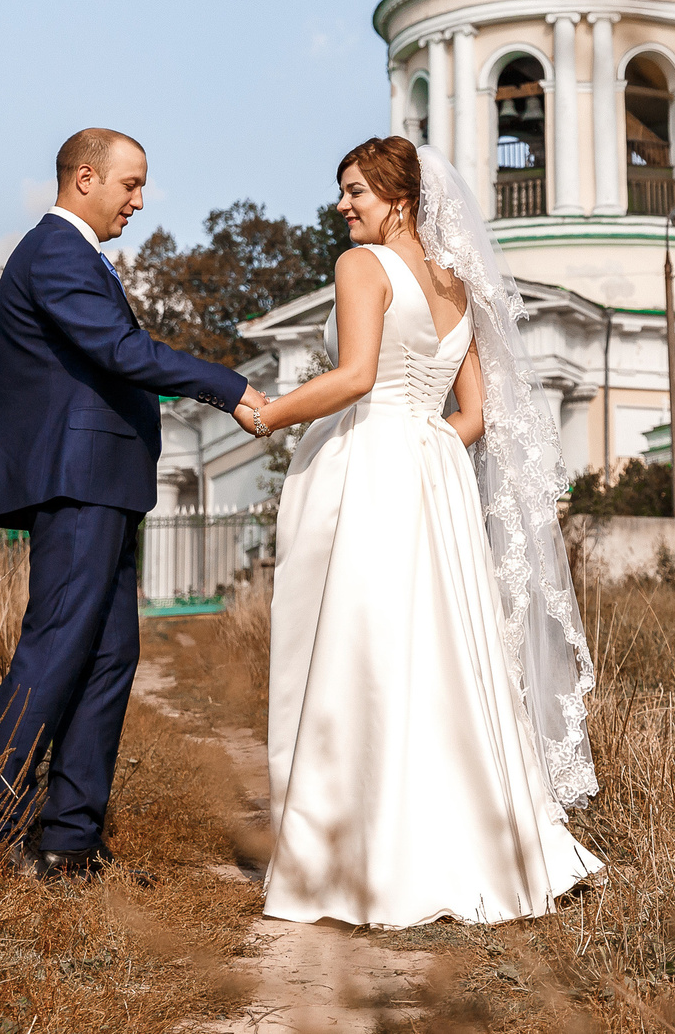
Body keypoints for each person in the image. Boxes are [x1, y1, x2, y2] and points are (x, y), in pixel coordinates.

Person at [255, 136, 599, 927]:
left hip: (370, 463)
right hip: (432, 473)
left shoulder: (361, 268)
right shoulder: (456, 282)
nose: (343, 206)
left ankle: (354, 854)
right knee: (440, 648)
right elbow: (473, 416)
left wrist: (267, 415)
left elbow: (354, 377)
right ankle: (475, 838)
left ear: (398, 198)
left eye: (355, 192)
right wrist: (429, 445)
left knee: (356, 644)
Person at [0, 128, 270, 880]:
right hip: (77, 483)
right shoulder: (56, 252)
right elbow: (119, 351)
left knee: (107, 656)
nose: (140, 199)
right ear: (85, 178)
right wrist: (225, 385)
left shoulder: (75, 256)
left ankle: (68, 840)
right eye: (130, 184)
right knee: (56, 650)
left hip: (103, 482)